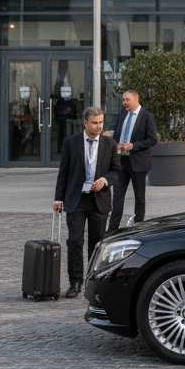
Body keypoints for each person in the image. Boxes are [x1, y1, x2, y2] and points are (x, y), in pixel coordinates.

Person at [53, 106, 120, 298]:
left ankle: (95, 281)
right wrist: (58, 198)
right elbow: (63, 173)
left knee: (97, 244)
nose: (98, 126)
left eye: (101, 122)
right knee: (74, 240)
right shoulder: (70, 143)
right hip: (76, 199)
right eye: (94, 123)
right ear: (85, 123)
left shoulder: (110, 144)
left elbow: (117, 171)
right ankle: (75, 282)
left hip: (99, 200)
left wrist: (105, 180)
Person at [106, 88, 157, 232]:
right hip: (121, 162)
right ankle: (112, 229)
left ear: (136, 98)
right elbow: (117, 134)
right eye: (123, 100)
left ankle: (138, 228)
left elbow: (153, 139)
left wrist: (133, 146)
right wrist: (115, 147)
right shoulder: (123, 114)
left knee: (139, 198)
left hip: (139, 163)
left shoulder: (147, 116)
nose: (124, 103)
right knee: (117, 197)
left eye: (127, 100)